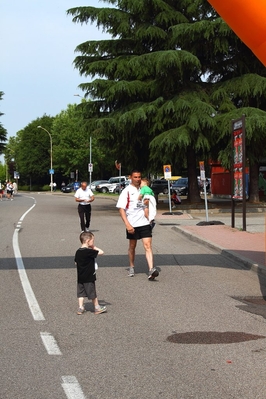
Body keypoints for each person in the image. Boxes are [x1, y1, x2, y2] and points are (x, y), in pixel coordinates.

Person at [116, 169, 159, 280]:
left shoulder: (145, 189)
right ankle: (131, 266)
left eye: (139, 177)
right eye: (135, 177)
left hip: (144, 222)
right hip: (132, 224)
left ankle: (151, 269)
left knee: (148, 246)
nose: (138, 179)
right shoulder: (127, 191)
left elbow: (150, 202)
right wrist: (127, 224)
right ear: (131, 177)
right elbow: (121, 209)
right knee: (132, 246)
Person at [75, 231, 107, 315]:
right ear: (88, 240)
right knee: (92, 292)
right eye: (92, 240)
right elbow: (101, 252)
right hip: (89, 276)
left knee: (81, 293)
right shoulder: (89, 252)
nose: (93, 242)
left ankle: (80, 307)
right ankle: (97, 307)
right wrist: (94, 247)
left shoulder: (78, 251)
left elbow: (76, 262)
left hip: (80, 276)